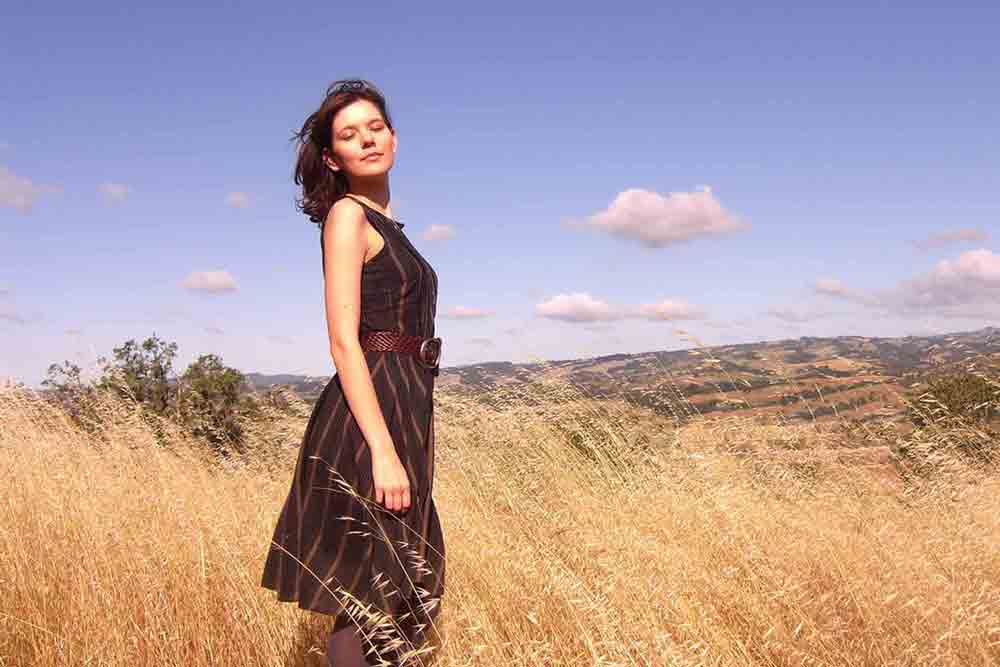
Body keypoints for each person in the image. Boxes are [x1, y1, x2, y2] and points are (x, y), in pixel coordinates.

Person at [260, 78, 446, 667]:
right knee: (373, 591)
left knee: (410, 583)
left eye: (375, 127)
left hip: (407, 403)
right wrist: (384, 452)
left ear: (394, 136)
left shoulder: (389, 225)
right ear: (331, 158)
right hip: (371, 415)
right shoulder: (347, 217)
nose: (366, 140)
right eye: (349, 134)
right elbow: (344, 342)